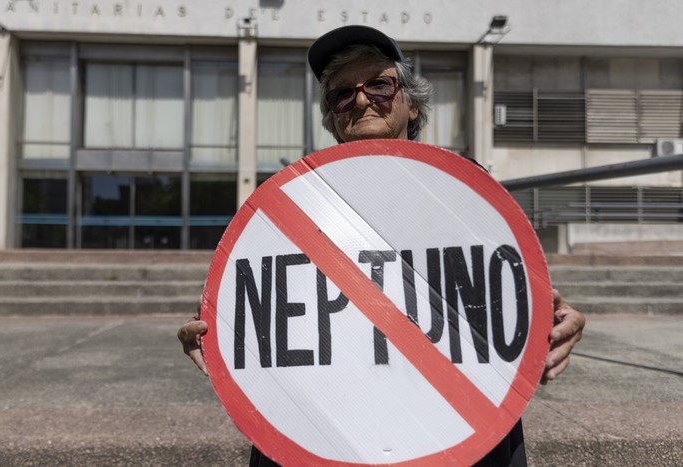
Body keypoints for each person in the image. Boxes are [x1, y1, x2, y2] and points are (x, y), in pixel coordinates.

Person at [178, 25, 586, 466]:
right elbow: (269, 304)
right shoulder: (298, 198)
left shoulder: (462, 189)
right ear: (333, 117)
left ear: (411, 105)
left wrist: (553, 317)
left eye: (379, 84)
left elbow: (505, 290)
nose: (360, 99)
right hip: (328, 432)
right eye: (341, 94)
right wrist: (221, 335)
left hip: (448, 434)